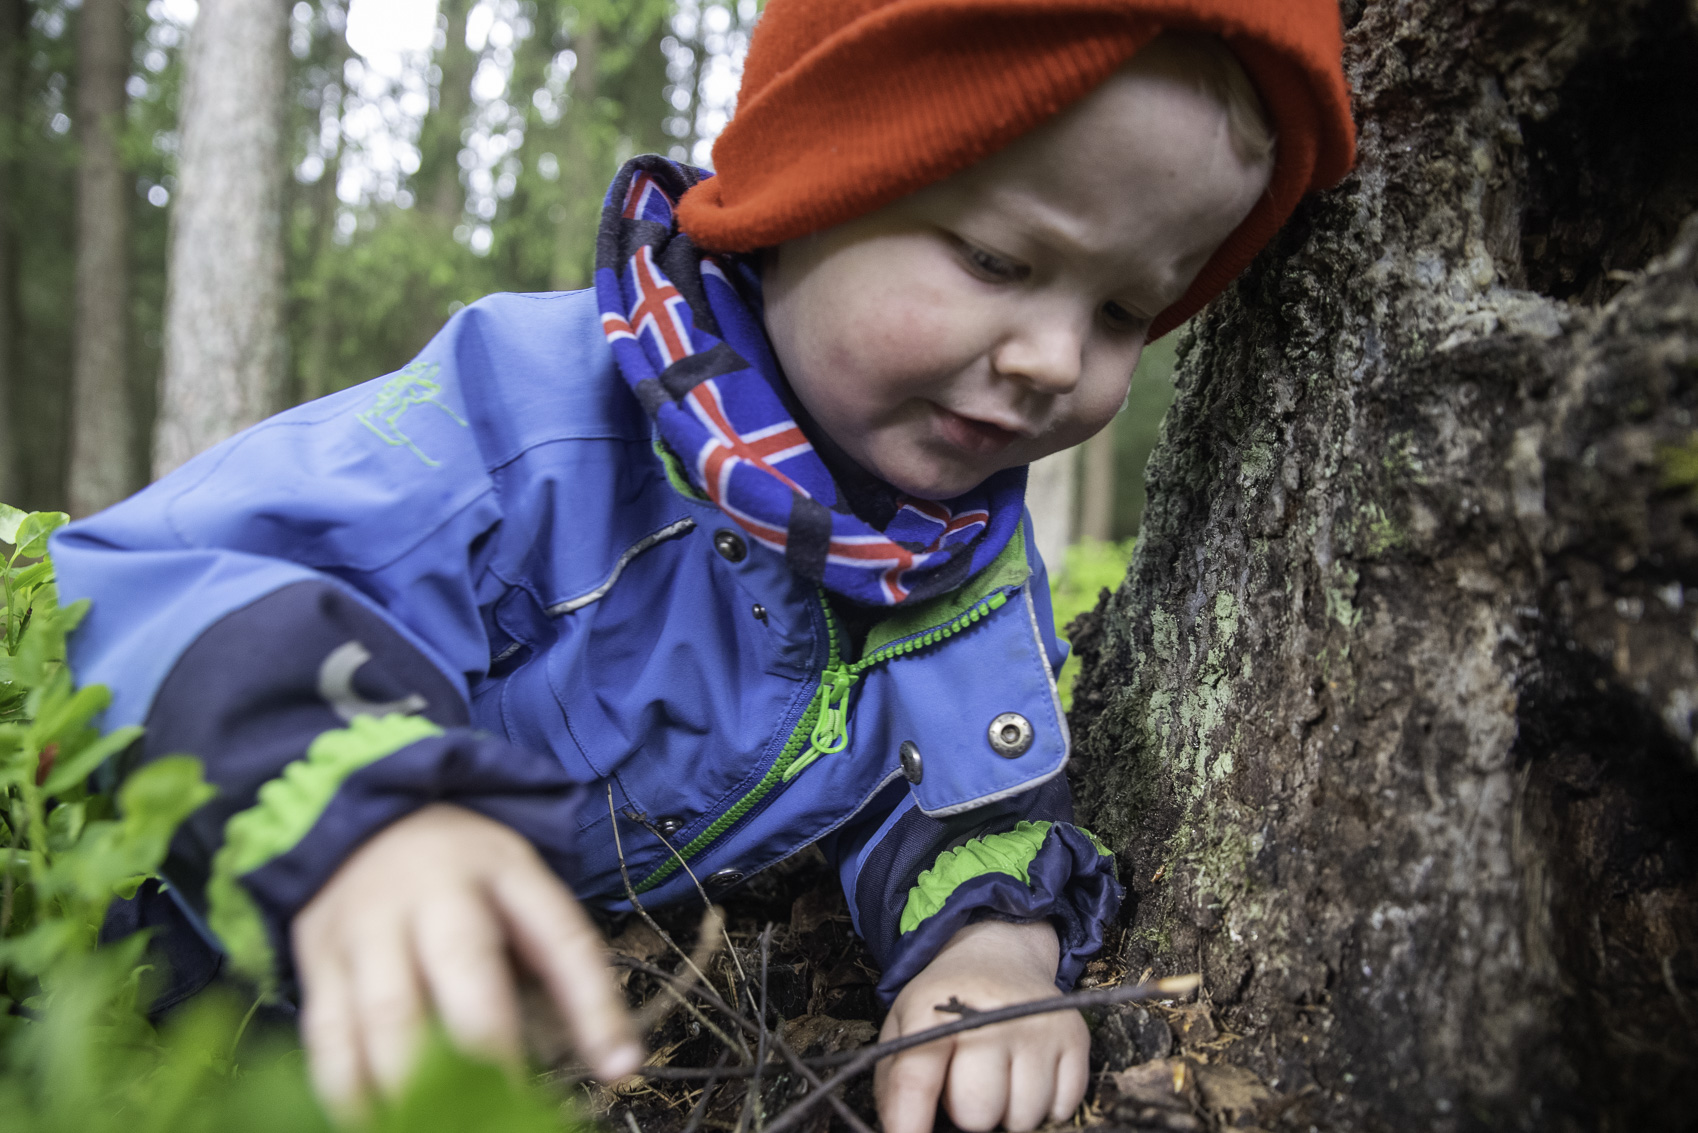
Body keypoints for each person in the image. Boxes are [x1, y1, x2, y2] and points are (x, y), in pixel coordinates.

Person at [53, 2, 1354, 1130]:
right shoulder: (526, 423)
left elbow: (967, 798)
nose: (1056, 359)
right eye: (999, 261)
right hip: (136, 952)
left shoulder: (955, 555)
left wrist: (994, 949)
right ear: (811, 190)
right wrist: (366, 818)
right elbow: (148, 583)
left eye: (1124, 310)